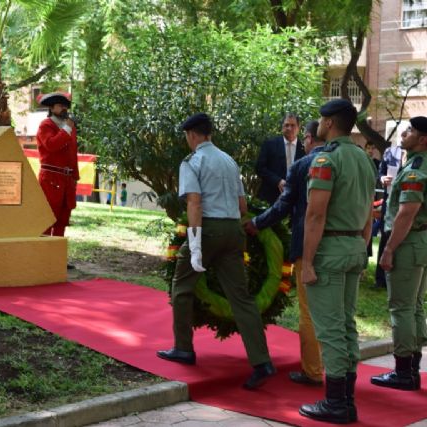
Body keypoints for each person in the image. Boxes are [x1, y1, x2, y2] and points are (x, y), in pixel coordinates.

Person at [157, 113, 276, 390]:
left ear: (191, 135)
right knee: (241, 298)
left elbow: (195, 204)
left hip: (207, 229)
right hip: (233, 231)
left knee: (183, 286)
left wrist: (195, 244)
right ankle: (261, 361)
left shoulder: (192, 162)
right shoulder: (229, 161)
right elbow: (243, 206)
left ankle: (183, 348)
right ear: (209, 133)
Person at [298, 100, 376, 424]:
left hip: (329, 250)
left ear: (329, 123)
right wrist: (363, 245)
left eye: (321, 118)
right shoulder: (364, 158)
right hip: (355, 246)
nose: (318, 122)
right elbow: (370, 212)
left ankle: (336, 404)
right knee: (346, 326)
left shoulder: (325, 159)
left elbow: (315, 215)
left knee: (329, 330)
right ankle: (347, 400)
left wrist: (308, 262)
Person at [244, 120, 325, 387]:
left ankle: (313, 371)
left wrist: (256, 223)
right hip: (345, 248)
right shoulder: (357, 160)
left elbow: (284, 207)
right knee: (339, 312)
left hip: (309, 246)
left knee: (309, 311)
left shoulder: (304, 165)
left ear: (310, 138)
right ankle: (342, 375)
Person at [370, 116, 427, 392]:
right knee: (414, 306)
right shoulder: (417, 165)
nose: (405, 133)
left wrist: (389, 249)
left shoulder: (416, 169)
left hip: (408, 241)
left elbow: (406, 214)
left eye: (411, 130)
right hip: (420, 241)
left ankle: (404, 371)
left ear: (423, 139)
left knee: (402, 307)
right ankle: (412, 368)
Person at [35, 92, 79, 237]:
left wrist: (74, 177)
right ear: (52, 108)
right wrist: (67, 129)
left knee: (63, 220)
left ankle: (57, 256)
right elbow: (51, 145)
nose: (64, 109)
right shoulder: (46, 125)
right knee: (48, 219)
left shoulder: (69, 127)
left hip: (67, 180)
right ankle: (42, 255)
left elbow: (73, 153)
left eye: (65, 106)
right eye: (60, 106)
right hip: (51, 179)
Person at [374, 142, 406, 289]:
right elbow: (380, 172)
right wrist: (382, 179)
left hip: (407, 202)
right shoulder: (390, 152)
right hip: (389, 200)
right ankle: (380, 280)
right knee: (385, 236)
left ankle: (399, 277)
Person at [255, 113, 306, 205]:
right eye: (286, 125)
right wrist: (278, 181)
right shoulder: (270, 144)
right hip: (270, 197)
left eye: (293, 125)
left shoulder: (304, 148)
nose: (289, 128)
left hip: (295, 199)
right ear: (282, 127)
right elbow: (260, 168)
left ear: (298, 127)